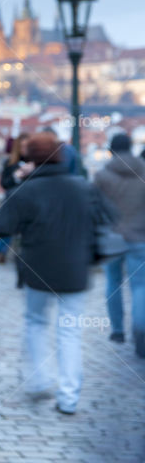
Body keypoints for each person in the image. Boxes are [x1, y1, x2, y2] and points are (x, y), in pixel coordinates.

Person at [0, 132, 102, 414]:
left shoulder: (28, 190)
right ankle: (68, 396)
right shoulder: (82, 187)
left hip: (38, 267)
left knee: (35, 322)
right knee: (70, 331)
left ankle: (38, 379)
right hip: (75, 269)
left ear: (31, 159)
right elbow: (102, 223)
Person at [92, 132, 145, 356]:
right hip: (140, 236)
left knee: (113, 282)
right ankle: (140, 329)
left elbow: (95, 208)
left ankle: (117, 329)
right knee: (140, 286)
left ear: (111, 150)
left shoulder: (102, 175)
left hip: (112, 238)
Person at [0, 134, 32, 264]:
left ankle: (2, 254)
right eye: (22, 146)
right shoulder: (10, 163)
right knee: (7, 227)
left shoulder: (34, 163)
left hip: (28, 202)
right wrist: (17, 176)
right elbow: (4, 183)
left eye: (27, 146)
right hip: (13, 201)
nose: (24, 149)